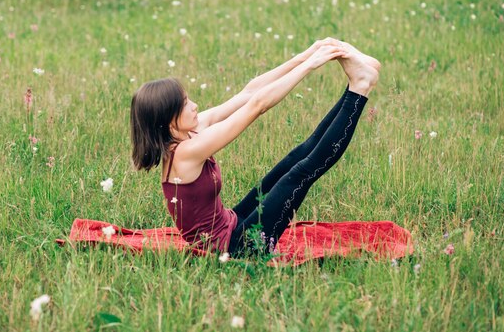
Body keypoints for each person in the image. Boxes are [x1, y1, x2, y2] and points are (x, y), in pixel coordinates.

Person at [129, 37, 380, 258]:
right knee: (300, 173)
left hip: (233, 223)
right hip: (237, 247)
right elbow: (256, 106)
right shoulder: (185, 154)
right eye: (185, 104)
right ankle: (360, 88)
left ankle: (357, 83)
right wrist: (309, 65)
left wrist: (307, 53)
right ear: (168, 120)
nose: (194, 105)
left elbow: (248, 92)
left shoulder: (187, 132)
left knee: (296, 158)